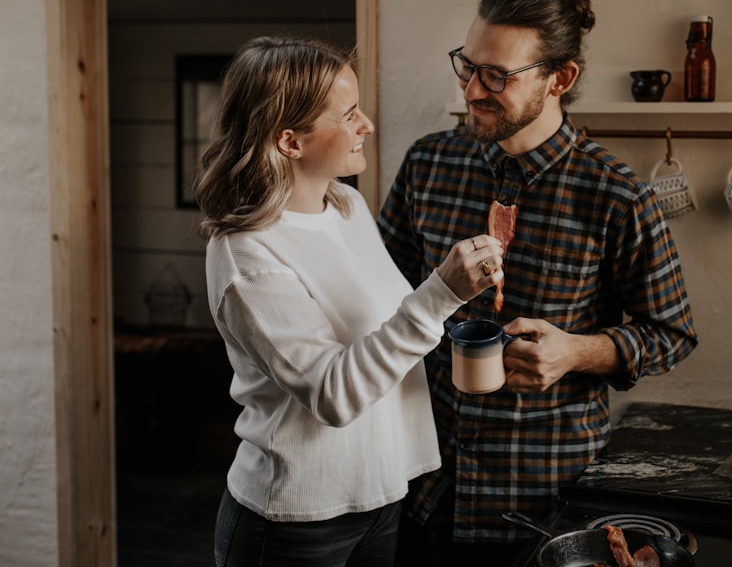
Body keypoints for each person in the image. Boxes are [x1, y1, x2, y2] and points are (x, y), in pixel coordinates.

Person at [378, 0, 698, 566]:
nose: (473, 89)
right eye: (467, 66)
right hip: (421, 486)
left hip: (542, 507)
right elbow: (376, 296)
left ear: (561, 78)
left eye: (497, 75)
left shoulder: (618, 196)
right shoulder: (427, 163)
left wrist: (578, 352)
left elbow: (672, 334)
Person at [195, 35, 505, 567]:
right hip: (295, 521)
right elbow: (333, 394)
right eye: (350, 114)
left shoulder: (347, 206)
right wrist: (441, 294)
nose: (367, 125)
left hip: (381, 497)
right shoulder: (246, 255)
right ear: (290, 141)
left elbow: (380, 332)